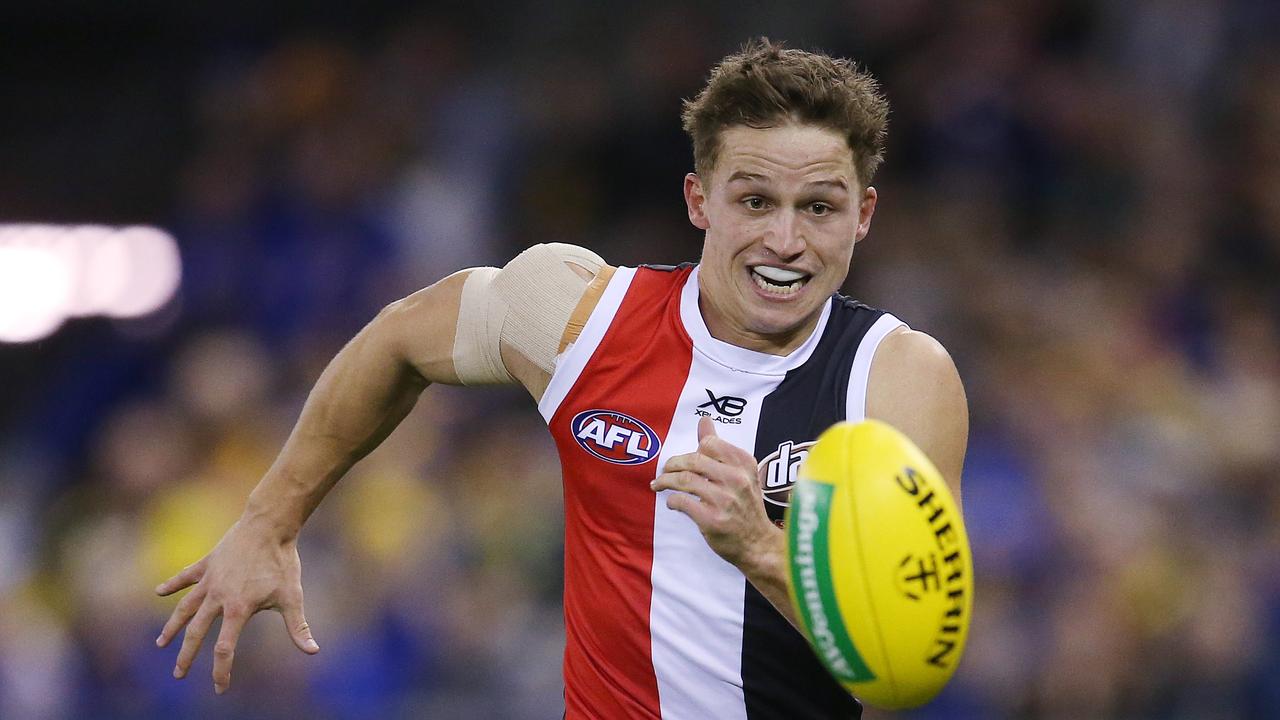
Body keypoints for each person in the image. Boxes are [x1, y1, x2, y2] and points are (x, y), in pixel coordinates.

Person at [155, 38, 967, 718]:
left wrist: (757, 546)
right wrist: (270, 519)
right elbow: (400, 337)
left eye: (818, 209)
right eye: (754, 201)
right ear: (699, 200)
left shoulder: (899, 379)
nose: (785, 239)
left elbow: (903, 668)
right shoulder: (577, 317)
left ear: (862, 213)